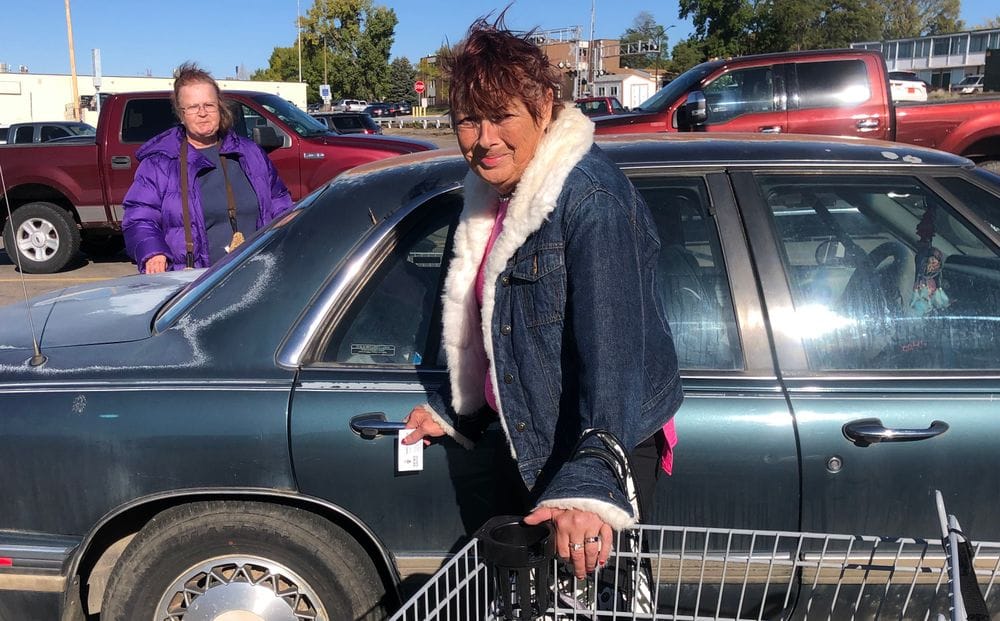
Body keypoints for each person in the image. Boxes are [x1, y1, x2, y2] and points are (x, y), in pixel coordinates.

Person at [402, 15, 683, 580]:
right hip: (527, 429)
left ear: (545, 107)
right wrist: (459, 407)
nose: (484, 140)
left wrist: (593, 479)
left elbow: (615, 350)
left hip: (590, 439)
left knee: (595, 602)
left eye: (502, 116)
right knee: (537, 601)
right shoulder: (492, 196)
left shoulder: (589, 201)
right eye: (467, 121)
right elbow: (499, 323)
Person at [122, 62, 292, 273]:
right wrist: (153, 252)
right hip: (193, 282)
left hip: (253, 273)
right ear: (181, 114)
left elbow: (279, 203)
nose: (202, 113)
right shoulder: (159, 163)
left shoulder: (251, 153)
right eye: (193, 107)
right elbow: (139, 218)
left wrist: (290, 230)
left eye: (209, 105)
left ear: (219, 107)